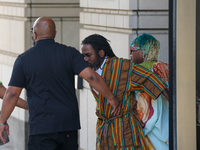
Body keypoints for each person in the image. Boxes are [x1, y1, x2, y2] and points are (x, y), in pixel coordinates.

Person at [0, 17, 121, 150]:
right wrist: (111, 98)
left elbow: (11, 94)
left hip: (41, 128)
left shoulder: (23, 60)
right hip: (68, 127)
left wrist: (2, 122)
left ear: (34, 35)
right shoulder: (70, 53)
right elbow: (92, 77)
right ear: (55, 34)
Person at [81, 34, 169, 150]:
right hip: (105, 132)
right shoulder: (91, 72)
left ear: (101, 53)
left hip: (125, 131)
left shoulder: (122, 66)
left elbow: (150, 78)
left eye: (88, 55)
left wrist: (173, 103)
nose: (85, 59)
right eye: (83, 56)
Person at [130, 33, 169, 150]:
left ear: (143, 51)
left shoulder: (139, 70)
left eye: (132, 50)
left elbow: (144, 107)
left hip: (152, 130)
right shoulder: (166, 67)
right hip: (168, 126)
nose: (130, 54)